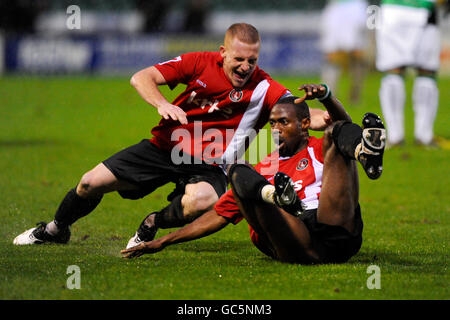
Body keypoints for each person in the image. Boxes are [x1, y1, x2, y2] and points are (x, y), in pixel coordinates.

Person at [13, 23, 330, 246]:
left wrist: (318, 115)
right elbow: (142, 77)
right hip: (165, 149)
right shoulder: (198, 63)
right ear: (222, 52)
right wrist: (162, 103)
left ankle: (153, 223)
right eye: (239, 59)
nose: (246, 66)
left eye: (252, 60)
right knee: (89, 183)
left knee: (203, 200)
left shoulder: (263, 86)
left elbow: (295, 110)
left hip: (212, 165)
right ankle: (56, 230)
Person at [121, 84, 386, 264]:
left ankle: (365, 151)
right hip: (295, 240)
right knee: (239, 171)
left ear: (305, 124)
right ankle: (275, 196)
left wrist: (327, 95)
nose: (276, 129)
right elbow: (219, 215)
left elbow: (341, 124)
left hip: (336, 227)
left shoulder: (320, 148)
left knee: (336, 133)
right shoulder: (264, 167)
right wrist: (165, 241)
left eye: (284, 122)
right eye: (272, 124)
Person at [376, 0, 442, 147]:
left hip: (394, 10)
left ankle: (396, 137)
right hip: (421, 8)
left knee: (394, 71)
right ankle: (423, 137)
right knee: (426, 72)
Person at [319, 0, 368, 105]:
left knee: (357, 56)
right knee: (332, 55)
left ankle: (355, 96)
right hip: (335, 6)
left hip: (355, 6)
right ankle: (327, 95)